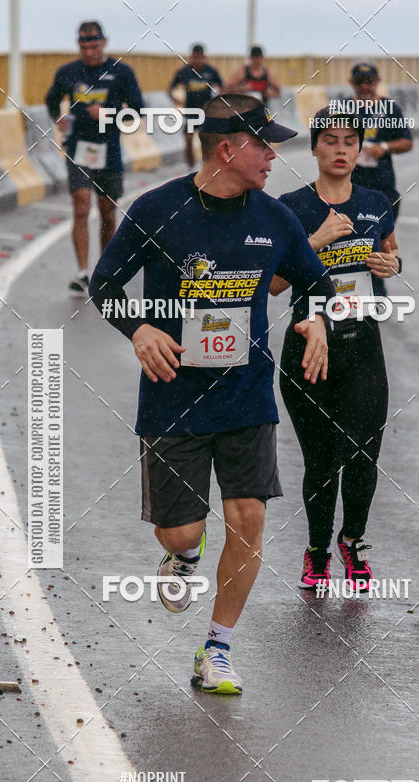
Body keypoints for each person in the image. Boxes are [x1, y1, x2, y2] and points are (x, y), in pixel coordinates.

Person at [89, 95, 335, 694]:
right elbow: (104, 283)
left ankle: (217, 649)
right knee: (183, 531)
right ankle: (183, 552)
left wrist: (317, 319)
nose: (274, 156)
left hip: (247, 396)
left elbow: (317, 282)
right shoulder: (157, 210)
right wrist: (140, 327)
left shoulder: (275, 219)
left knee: (248, 519)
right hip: (173, 395)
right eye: (264, 144)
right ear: (228, 148)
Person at [270, 107, 401, 593]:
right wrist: (315, 240)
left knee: (364, 453)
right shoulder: (290, 206)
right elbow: (276, 285)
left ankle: (354, 539)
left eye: (350, 141)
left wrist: (393, 264)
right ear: (314, 148)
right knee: (321, 461)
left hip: (363, 344)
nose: (341, 149)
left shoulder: (375, 199)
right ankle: (318, 550)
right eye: (331, 141)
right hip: (308, 349)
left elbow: (391, 249)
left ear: (360, 148)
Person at [46, 20, 143, 294]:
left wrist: (109, 114)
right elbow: (52, 99)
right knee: (80, 205)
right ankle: (81, 272)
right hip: (78, 147)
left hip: (109, 149)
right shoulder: (68, 71)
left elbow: (137, 110)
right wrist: (59, 117)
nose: (89, 52)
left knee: (107, 213)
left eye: (94, 45)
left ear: (104, 42)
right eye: (84, 46)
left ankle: (104, 272)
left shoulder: (121, 72)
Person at [348, 63, 412, 222]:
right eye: (359, 82)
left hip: (382, 183)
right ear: (351, 83)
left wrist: (384, 147)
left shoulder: (390, 109)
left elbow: (407, 142)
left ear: (377, 81)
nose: (364, 87)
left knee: (384, 241)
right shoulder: (343, 108)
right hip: (349, 185)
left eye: (368, 81)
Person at [168, 44, 223, 167]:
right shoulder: (185, 71)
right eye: (195, 58)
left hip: (206, 113)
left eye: (200, 58)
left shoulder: (210, 71)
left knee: (208, 142)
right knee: (188, 140)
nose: (197, 61)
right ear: (191, 57)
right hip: (191, 113)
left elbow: (222, 87)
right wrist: (176, 99)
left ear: (204, 57)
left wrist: (215, 102)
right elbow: (170, 87)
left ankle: (209, 166)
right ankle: (190, 167)